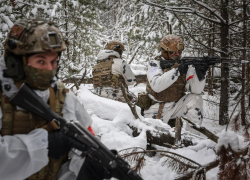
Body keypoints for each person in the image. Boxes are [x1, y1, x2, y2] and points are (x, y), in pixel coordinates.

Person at [0, 18, 96, 180]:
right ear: (16, 62)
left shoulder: (64, 97)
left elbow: (84, 143)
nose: (49, 69)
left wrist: (85, 169)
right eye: (40, 61)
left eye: (54, 61)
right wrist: (44, 144)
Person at [144, 34, 208, 128]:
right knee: (155, 138)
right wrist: (177, 71)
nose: (178, 54)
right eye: (174, 52)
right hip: (155, 108)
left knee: (196, 99)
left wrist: (200, 74)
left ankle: (193, 138)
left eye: (179, 52)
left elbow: (196, 91)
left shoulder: (184, 65)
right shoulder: (154, 64)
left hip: (176, 107)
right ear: (164, 51)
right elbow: (156, 85)